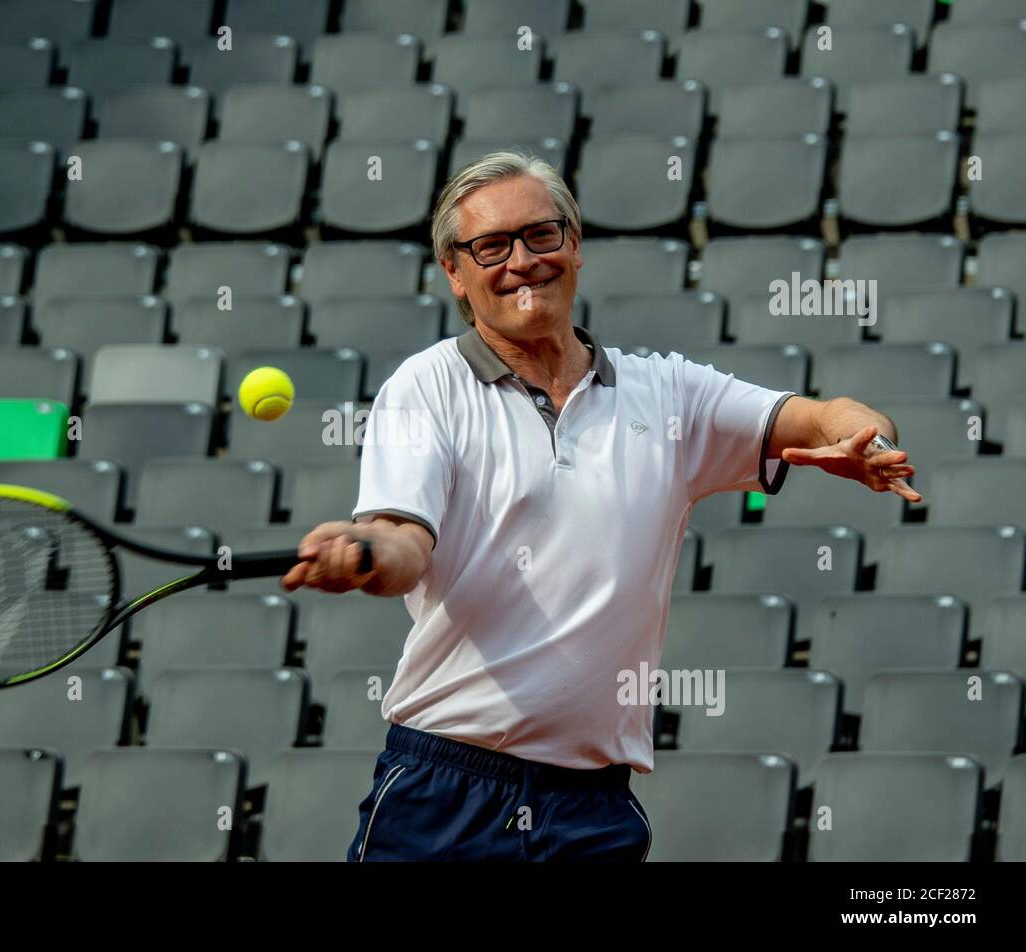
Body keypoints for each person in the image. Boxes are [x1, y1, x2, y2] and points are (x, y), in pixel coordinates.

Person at [281, 151, 920, 862]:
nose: (521, 261)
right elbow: (404, 542)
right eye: (491, 247)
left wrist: (866, 441)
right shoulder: (425, 388)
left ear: (574, 244)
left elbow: (824, 415)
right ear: (455, 274)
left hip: (594, 810)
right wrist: (364, 553)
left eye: (541, 236)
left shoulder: (670, 394)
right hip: (445, 790)